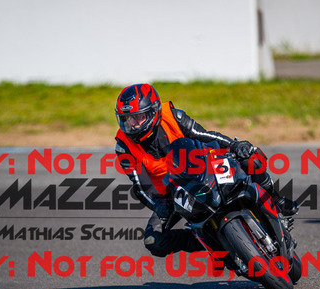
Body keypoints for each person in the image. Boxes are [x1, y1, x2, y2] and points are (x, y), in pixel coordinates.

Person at [114, 83, 298, 257]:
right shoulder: (124, 146)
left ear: (154, 112)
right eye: (126, 119)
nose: (132, 124)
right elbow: (141, 186)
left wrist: (235, 146)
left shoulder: (173, 116)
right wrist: (158, 206)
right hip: (171, 194)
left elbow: (205, 135)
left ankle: (276, 200)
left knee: (251, 158)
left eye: (138, 117)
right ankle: (213, 241)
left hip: (202, 165)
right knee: (153, 241)